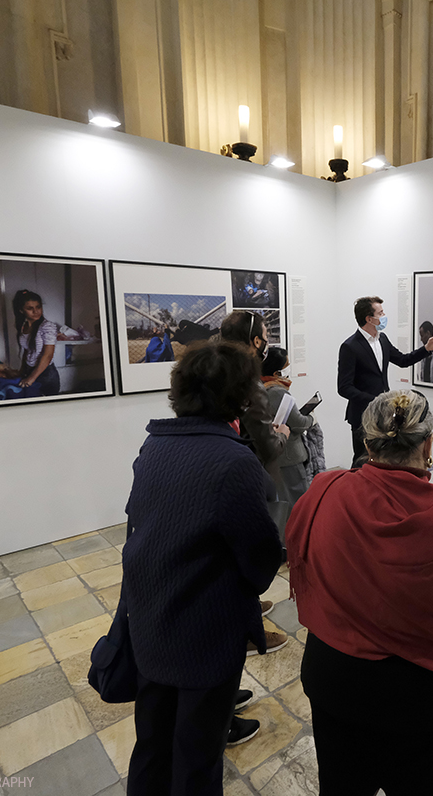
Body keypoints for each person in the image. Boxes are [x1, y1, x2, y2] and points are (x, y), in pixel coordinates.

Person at [286, 390, 433, 796]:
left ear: (368, 443)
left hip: (338, 683)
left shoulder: (324, 491)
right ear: (428, 445)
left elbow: (299, 551)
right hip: (425, 697)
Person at [123, 342, 286, 796]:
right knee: (197, 757)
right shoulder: (234, 462)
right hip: (204, 636)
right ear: (240, 394)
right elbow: (260, 555)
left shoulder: (154, 445)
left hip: (151, 623)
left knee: (152, 747)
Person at [337, 296, 433, 467]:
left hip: (384, 415)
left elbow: (402, 360)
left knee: (382, 460)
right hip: (362, 415)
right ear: (369, 319)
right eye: (381, 313)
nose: (384, 315)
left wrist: (426, 349)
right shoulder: (350, 346)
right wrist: (375, 400)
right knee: (362, 460)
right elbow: (344, 387)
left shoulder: (382, 339)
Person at [217, 310, 290, 474]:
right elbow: (269, 449)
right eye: (265, 337)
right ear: (256, 341)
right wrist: (281, 435)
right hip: (245, 469)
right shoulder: (249, 383)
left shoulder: (213, 373)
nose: (267, 343)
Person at [261, 346, 315, 538]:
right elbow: (298, 423)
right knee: (297, 500)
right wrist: (311, 419)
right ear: (276, 371)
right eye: (287, 366)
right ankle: (296, 542)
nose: (289, 370)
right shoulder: (278, 392)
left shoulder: (260, 387)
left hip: (275, 455)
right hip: (289, 455)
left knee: (283, 499)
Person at [12, 290, 61, 395]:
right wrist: (21, 371)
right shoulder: (23, 326)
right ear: (21, 310)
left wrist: (31, 378)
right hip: (29, 370)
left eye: (38, 307)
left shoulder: (47, 326)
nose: (36, 311)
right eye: (30, 308)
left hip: (45, 373)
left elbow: (48, 355)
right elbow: (26, 350)